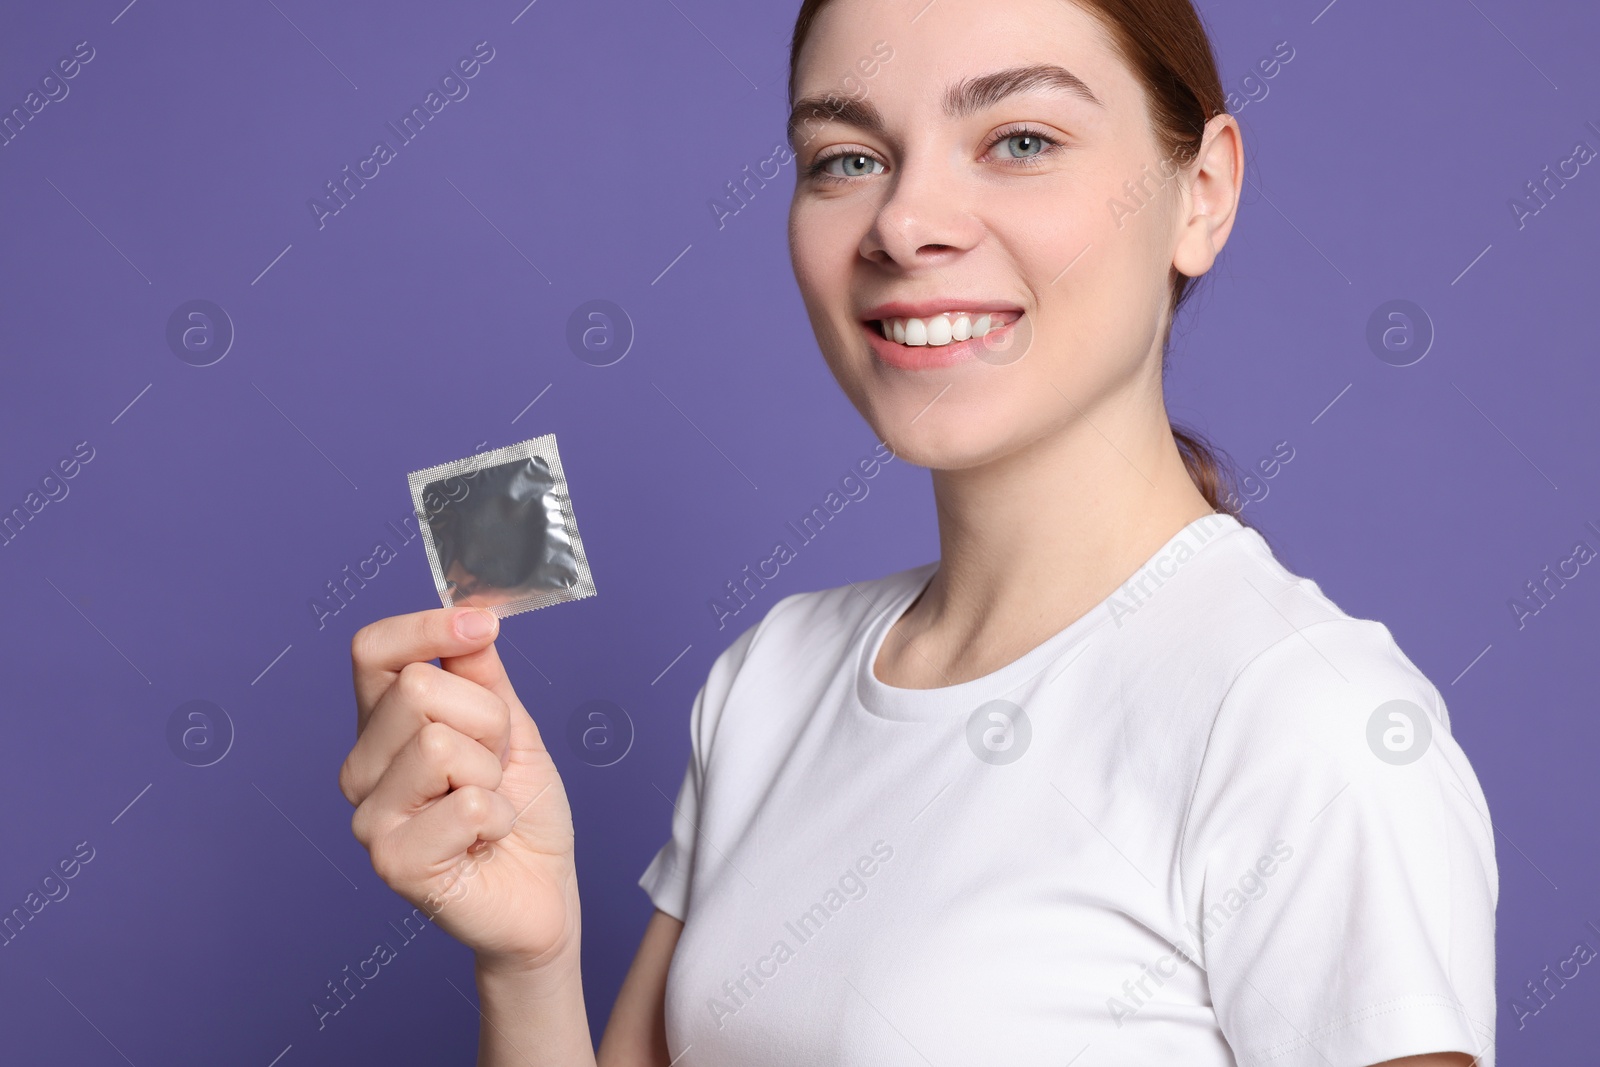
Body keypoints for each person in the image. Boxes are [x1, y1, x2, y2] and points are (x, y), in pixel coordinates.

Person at [339, 0, 1498, 1062]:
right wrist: (529, 962)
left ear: (1200, 193)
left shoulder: (1308, 724)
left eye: (1021, 140)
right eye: (846, 158)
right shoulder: (774, 679)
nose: (903, 222)